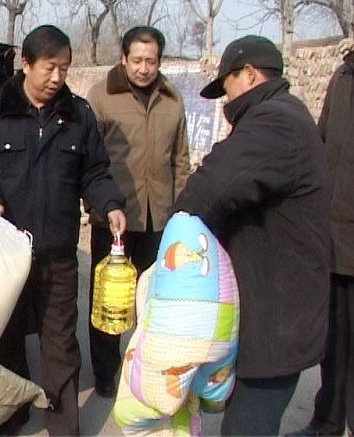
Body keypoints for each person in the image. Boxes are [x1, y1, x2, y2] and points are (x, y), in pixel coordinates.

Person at [0, 25, 126, 436]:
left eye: (64, 69)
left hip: (57, 254)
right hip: (7, 255)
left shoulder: (78, 115)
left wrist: (110, 203)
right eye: (49, 67)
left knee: (60, 344)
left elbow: (95, 172)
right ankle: (11, 413)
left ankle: (63, 426)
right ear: (26, 63)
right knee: (5, 339)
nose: (57, 77)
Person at [171, 35, 330, 435]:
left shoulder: (274, 122)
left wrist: (175, 236)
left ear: (248, 74)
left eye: (226, 87)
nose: (226, 101)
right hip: (276, 313)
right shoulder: (285, 114)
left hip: (277, 323)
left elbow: (211, 187)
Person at [85, 25, 191, 398]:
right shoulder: (101, 97)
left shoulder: (172, 100)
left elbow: (181, 160)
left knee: (153, 298)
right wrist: (95, 204)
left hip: (159, 216)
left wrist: (182, 211)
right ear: (124, 59)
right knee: (109, 299)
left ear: (160, 62)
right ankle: (105, 371)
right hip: (113, 217)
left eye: (151, 61)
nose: (144, 68)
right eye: (137, 60)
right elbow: (88, 158)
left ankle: (145, 366)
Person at [287, 38, 354, 437]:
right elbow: (322, 142)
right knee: (335, 341)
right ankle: (327, 421)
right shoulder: (342, 76)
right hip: (333, 237)